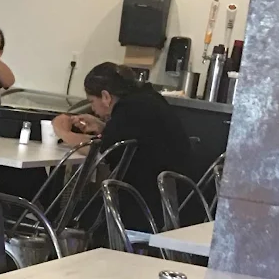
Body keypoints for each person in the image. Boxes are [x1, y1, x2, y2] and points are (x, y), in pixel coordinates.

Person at [54, 62, 194, 227]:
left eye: (92, 101)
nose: (92, 108)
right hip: (177, 201)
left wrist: (63, 132)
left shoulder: (128, 109)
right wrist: (103, 127)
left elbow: (101, 151)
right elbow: (133, 137)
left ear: (106, 96)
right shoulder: (147, 99)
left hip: (147, 208)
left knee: (74, 215)